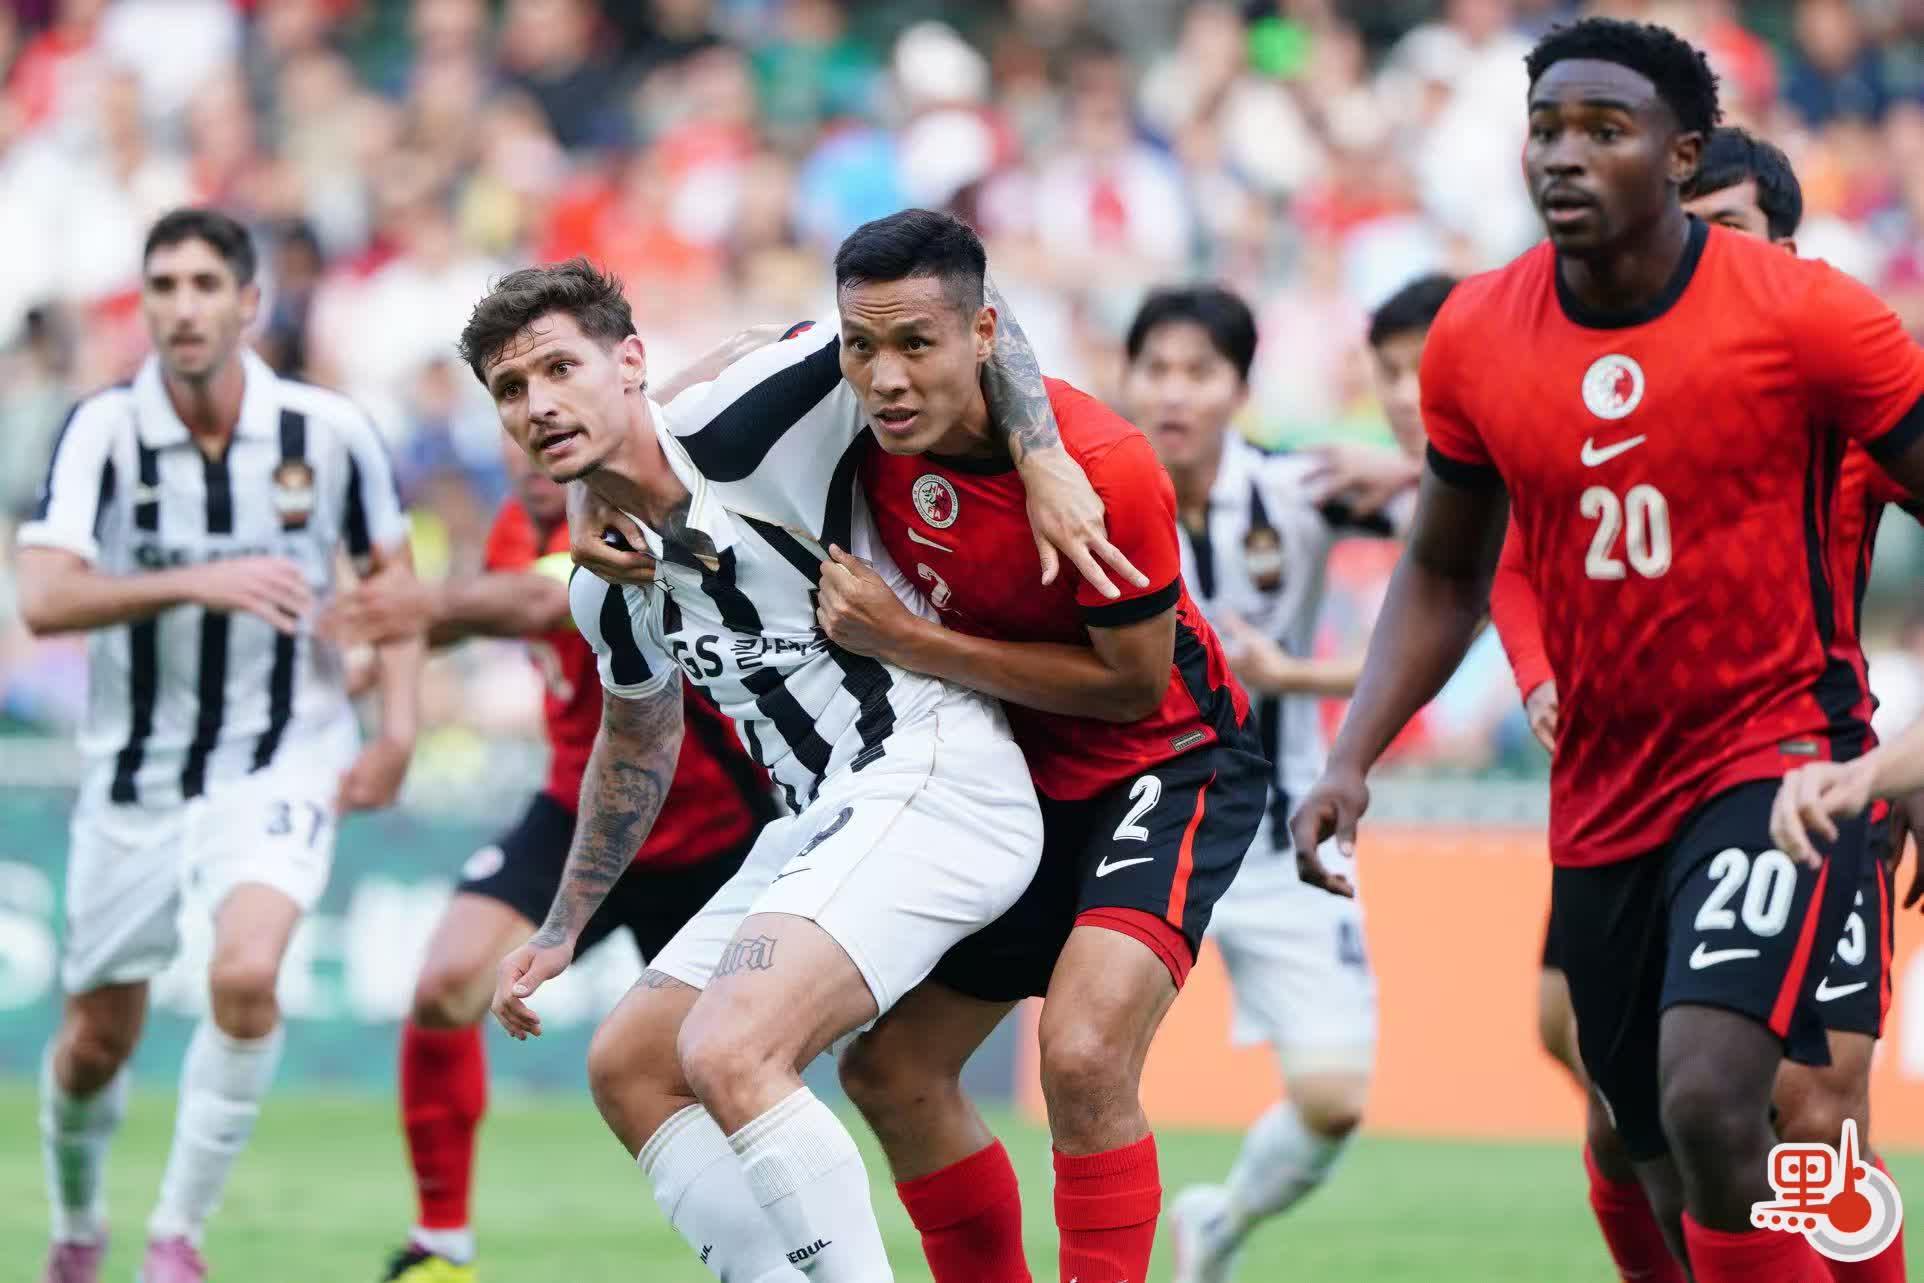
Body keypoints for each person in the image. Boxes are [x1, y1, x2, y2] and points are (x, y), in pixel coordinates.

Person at [1290, 19, 1924, 1283]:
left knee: (1745, 1100)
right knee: (1651, 1144)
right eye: (1545, 129)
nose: (1562, 155)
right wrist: (1351, 754)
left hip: (1782, 762)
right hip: (1604, 791)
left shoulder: (1807, 318)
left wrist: (1906, 759)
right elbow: (1448, 568)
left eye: (1602, 130)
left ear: (1680, 156)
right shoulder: (1477, 334)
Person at [575, 210, 1267, 1283]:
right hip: (1016, 768)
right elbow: (720, 367)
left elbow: (1131, 689)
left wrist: (912, 638)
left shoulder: (1104, 467)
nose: (886, 376)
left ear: (983, 335)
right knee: (891, 1071)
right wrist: (595, 488)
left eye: (915, 345)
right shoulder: (854, 427)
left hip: (1164, 763)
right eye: (863, 347)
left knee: (1083, 1052)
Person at [470, 255, 1118, 1282]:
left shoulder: (747, 422)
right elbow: (635, 741)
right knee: (631, 1064)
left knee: (730, 1047)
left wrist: (1041, 456)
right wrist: (562, 924)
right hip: (823, 819)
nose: (539, 403)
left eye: (560, 368)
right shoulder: (606, 587)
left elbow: (962, 315)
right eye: (511, 388)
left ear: (630, 361)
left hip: (937, 774)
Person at [1493, 122, 1918, 1283]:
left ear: (1787, 253)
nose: (1696, 258)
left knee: (1814, 1107)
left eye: (1725, 231)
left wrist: (1904, 760)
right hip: (1631, 785)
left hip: (1798, 777)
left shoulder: (1845, 390)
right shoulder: (1617, 389)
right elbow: (1507, 547)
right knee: (1618, 1109)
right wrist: (1535, 673)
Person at [17, 208, 422, 1283]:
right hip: (136, 771)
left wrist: (398, 728)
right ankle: (77, 1224)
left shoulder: (324, 432)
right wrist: (204, 579)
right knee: (95, 1041)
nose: (184, 306)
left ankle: (175, 1238)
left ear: (248, 303)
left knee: (245, 974)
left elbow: (393, 581)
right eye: (164, 286)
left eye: (205, 284)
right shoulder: (103, 429)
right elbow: (44, 598)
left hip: (282, 750)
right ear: (145, 306)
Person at [321, 437, 776, 1283]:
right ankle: (441, 1247)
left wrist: (401, 606)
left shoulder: (639, 513)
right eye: (513, 415)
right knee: (444, 982)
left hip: (712, 832)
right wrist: (371, 669)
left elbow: (540, 600)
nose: (533, 441)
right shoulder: (509, 529)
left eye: (551, 413)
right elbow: (481, 611)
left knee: (736, 1072)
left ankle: (792, 1257)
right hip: (580, 812)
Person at [1124, 282, 1427, 1282]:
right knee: (1087, 1059)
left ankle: (1221, 1220)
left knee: (1334, 1097)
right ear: (1128, 380)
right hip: (1135, 829)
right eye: (1155, 369)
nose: (1174, 392)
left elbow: (1474, 548)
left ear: (1240, 389)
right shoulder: (1088, 496)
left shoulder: (1302, 488)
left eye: (1198, 371)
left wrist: (1415, 463)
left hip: (1280, 836)